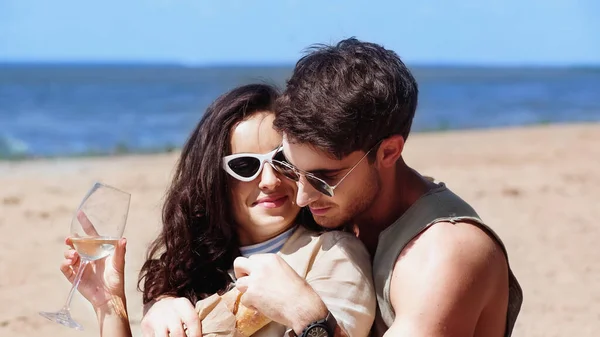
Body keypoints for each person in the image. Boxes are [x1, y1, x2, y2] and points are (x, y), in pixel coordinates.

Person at [232, 38, 522, 337]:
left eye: (323, 177)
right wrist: (178, 300)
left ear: (388, 152)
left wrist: (307, 316)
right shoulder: (343, 209)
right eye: (292, 169)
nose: (303, 197)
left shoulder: (445, 252)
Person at [59, 84, 376, 337]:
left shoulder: (333, 254)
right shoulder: (185, 276)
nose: (269, 180)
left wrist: (299, 308)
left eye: (282, 160)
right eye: (245, 166)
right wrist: (110, 304)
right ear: (214, 180)